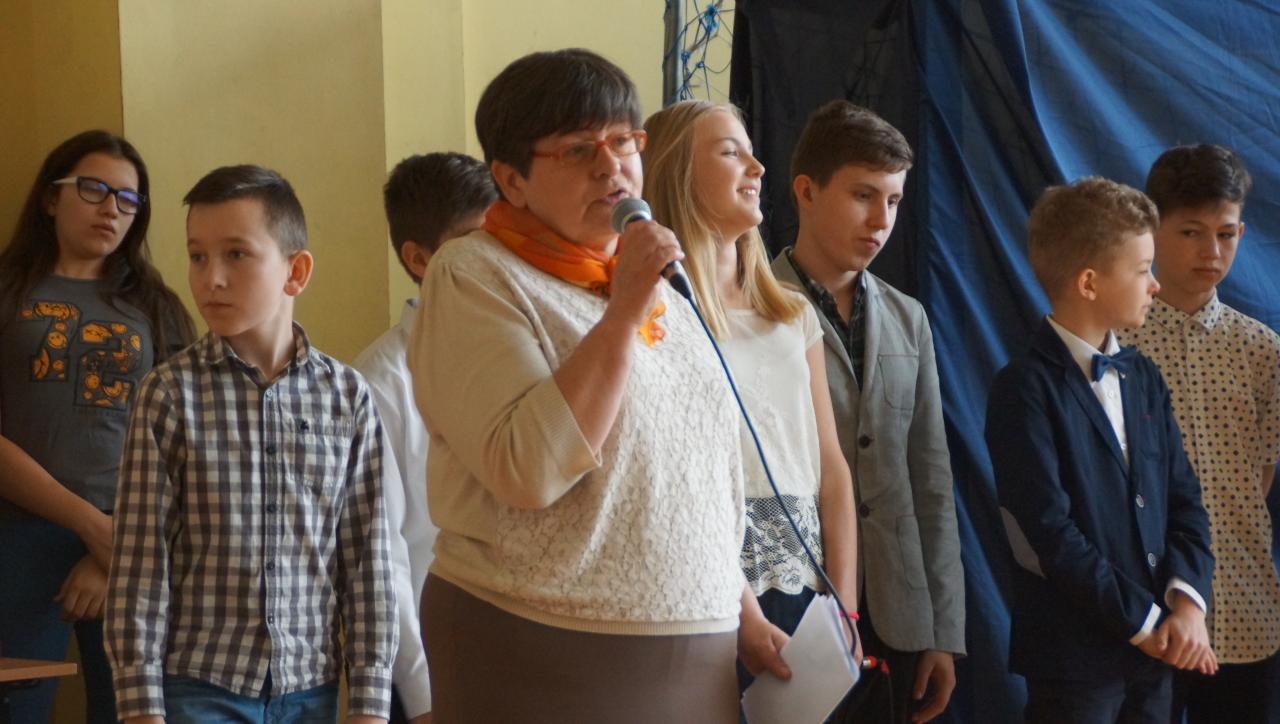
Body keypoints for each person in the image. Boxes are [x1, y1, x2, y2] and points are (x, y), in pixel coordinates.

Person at [410, 49, 747, 723]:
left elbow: (704, 477)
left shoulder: (656, 283)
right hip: (538, 647)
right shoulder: (475, 273)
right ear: (512, 179)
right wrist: (622, 314)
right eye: (577, 149)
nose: (610, 165)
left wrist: (746, 608)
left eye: (623, 141)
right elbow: (527, 467)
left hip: (702, 656)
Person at [106, 165, 396, 723]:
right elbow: (141, 566)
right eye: (197, 256)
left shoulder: (347, 396)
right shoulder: (168, 395)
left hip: (309, 690)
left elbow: (368, 563)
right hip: (199, 687)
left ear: (296, 271)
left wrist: (369, 704)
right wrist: (141, 707)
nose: (211, 278)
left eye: (236, 254)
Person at [641, 100, 860, 691]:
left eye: (752, 152)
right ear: (677, 174)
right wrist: (745, 617)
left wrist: (844, 608)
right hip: (707, 595)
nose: (758, 168)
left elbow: (831, 468)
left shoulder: (792, 315)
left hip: (807, 595)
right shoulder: (656, 316)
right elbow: (676, 482)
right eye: (730, 152)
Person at [986, 176, 1216, 722]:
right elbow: (1048, 533)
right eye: (1143, 270)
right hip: (1075, 663)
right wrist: (1145, 623)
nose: (1155, 285)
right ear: (1089, 282)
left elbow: (1185, 500)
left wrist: (1187, 605)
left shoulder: (1145, 378)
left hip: (1157, 660)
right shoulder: (1023, 388)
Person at [770, 100, 965, 722]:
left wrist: (943, 630)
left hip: (901, 612)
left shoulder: (910, 317)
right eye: (863, 195)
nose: (882, 220)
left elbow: (930, 478)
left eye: (895, 200)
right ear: (806, 191)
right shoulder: (754, 308)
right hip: (797, 602)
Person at [0, 129, 195, 723]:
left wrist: (114, 548)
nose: (112, 208)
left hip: (133, 533)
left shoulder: (157, 305)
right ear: (50, 197)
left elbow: (185, 439)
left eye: (128, 199)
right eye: (93, 189)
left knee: (132, 712)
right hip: (19, 531)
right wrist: (92, 527)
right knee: (17, 706)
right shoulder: (8, 290)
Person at [1117, 144, 1280, 723]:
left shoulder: (1261, 349)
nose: (1211, 252)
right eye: (1191, 232)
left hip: (1244, 607)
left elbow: (1262, 472)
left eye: (1226, 234)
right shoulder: (1116, 343)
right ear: (1152, 229)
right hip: (1144, 609)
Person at [354, 151, 497, 724]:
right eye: (476, 241)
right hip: (434, 674)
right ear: (419, 258)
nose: (499, 259)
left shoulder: (519, 355)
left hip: (523, 660)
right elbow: (381, 557)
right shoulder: (380, 381)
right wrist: (424, 695)